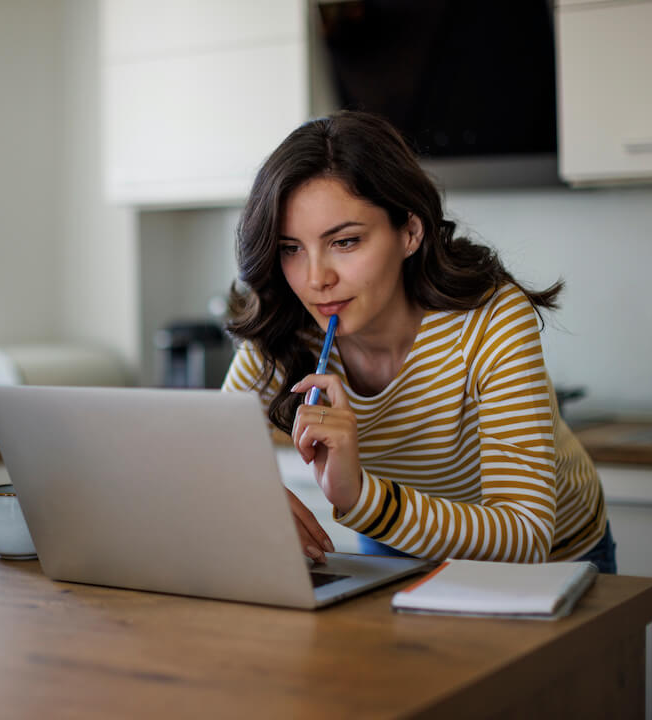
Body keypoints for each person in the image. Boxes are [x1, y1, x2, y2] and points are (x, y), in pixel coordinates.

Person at [221, 111, 615, 574]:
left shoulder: (491, 318)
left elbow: (525, 532)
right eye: (291, 248)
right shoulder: (287, 326)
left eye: (345, 242)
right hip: (399, 544)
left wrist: (362, 498)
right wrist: (249, 494)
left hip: (552, 560)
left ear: (409, 231)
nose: (315, 280)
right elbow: (210, 456)